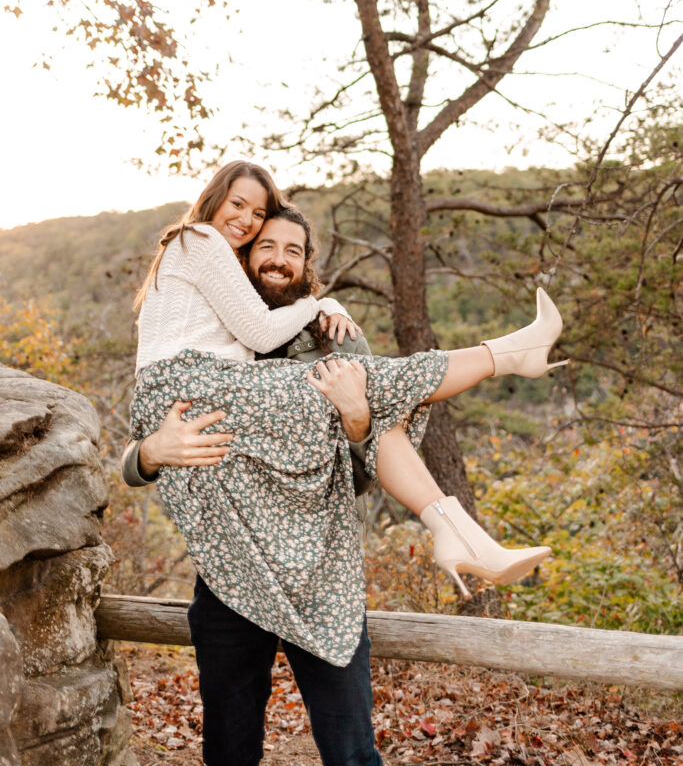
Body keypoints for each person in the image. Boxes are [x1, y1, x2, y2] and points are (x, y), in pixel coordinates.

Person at [129, 160, 565, 676]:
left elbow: (348, 452)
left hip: (197, 402)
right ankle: (509, 354)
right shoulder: (198, 240)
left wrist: (353, 412)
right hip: (189, 388)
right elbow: (262, 333)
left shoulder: (271, 301)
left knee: (359, 392)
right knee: (358, 383)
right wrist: (321, 302)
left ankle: (458, 531)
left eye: (259, 212)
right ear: (214, 199)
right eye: (238, 204)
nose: (246, 220)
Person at [122, 207, 382, 766]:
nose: (279, 259)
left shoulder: (334, 341)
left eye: (294, 250)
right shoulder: (212, 338)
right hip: (229, 577)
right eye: (267, 246)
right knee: (229, 748)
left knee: (351, 751)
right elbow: (139, 447)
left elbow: (362, 475)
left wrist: (358, 424)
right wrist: (147, 453)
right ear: (242, 256)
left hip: (321, 574)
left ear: (307, 263)